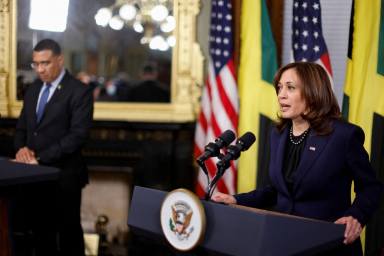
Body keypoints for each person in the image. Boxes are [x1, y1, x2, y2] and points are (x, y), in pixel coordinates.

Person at [211, 62, 383, 255]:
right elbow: (276, 191)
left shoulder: (343, 135)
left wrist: (356, 216)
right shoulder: (277, 134)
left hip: (328, 246)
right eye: (279, 88)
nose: (281, 94)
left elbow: (371, 188)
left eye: (290, 88)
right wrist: (236, 200)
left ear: (312, 91)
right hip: (286, 243)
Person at [14, 39, 93, 255]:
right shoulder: (32, 89)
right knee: (40, 235)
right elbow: (23, 128)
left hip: (64, 176)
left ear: (59, 60)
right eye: (36, 64)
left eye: (45, 63)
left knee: (68, 235)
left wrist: (39, 157)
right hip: (32, 176)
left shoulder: (79, 91)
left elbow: (77, 136)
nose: (40, 69)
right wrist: (21, 150)